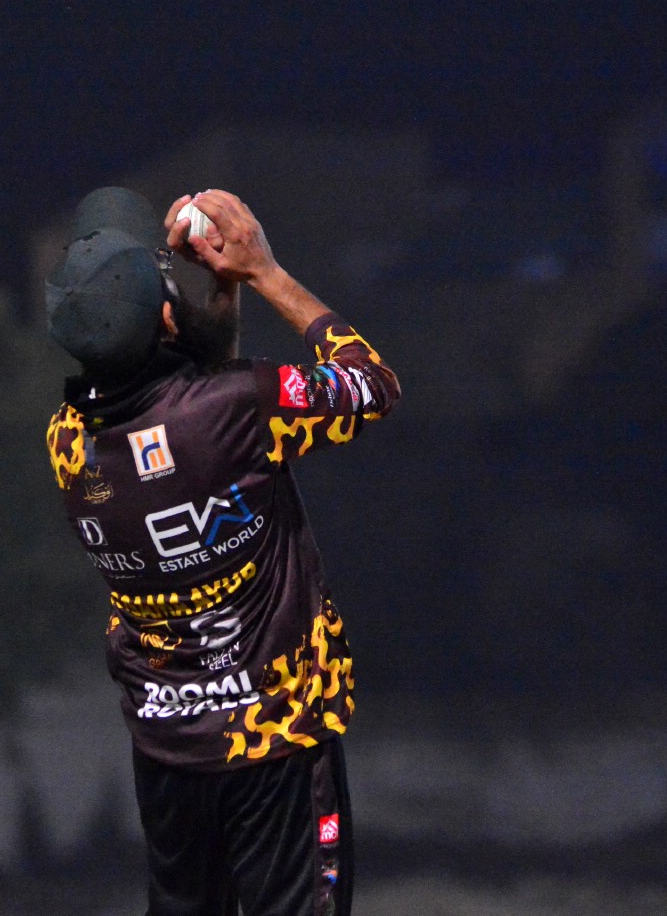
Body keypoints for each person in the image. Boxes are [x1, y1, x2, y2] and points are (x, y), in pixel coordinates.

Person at [44, 188, 401, 916]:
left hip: (169, 749)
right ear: (165, 319)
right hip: (274, 741)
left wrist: (205, 296)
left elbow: (189, 416)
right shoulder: (241, 406)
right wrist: (259, 272)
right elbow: (372, 386)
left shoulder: (67, 443)